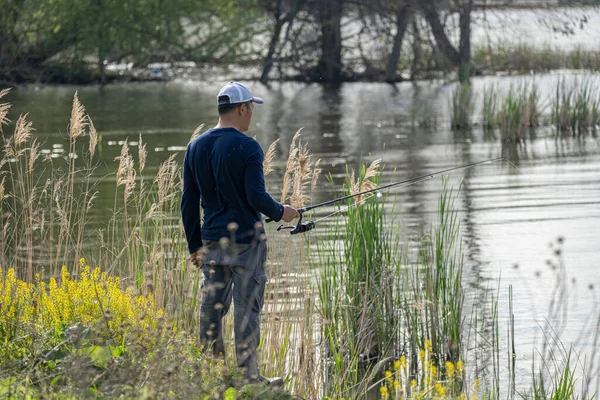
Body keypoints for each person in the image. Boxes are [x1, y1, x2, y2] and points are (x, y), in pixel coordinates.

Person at [180, 81, 299, 386]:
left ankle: (214, 375)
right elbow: (256, 197)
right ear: (243, 108)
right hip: (247, 242)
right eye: (251, 109)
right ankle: (249, 378)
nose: (251, 116)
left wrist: (194, 245)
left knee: (211, 307)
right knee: (247, 311)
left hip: (211, 241)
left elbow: (188, 202)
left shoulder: (196, 146)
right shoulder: (248, 146)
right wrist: (283, 211)